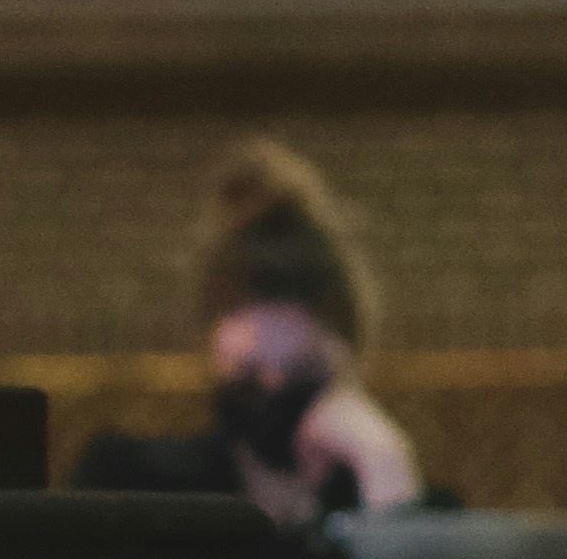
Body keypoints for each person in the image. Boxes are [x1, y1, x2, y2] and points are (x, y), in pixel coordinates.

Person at [70, 143, 427, 530]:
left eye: (299, 370)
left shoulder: (387, 486)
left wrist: (381, 463)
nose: (274, 387)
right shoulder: (135, 485)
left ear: (343, 362)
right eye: (251, 374)